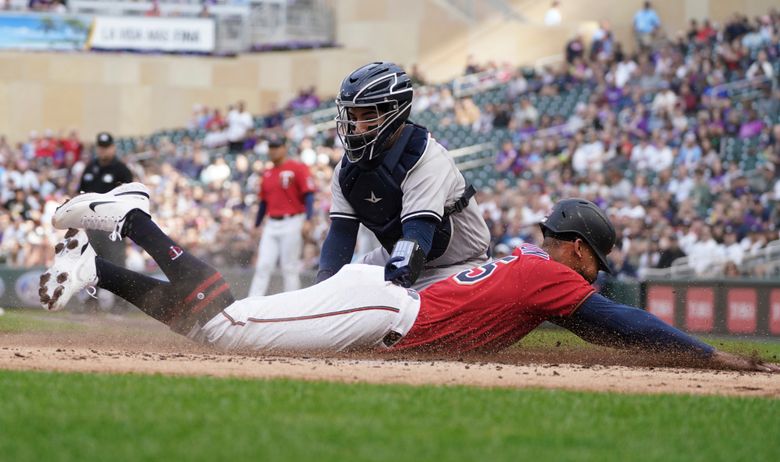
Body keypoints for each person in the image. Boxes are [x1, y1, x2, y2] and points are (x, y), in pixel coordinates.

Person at [39, 186, 778, 372]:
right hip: (379, 311)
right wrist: (704, 355)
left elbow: (599, 323)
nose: (594, 277)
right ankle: (136, 223)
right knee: (229, 332)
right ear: (582, 251)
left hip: (378, 306)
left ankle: (98, 268)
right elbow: (623, 323)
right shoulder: (554, 277)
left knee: (216, 331)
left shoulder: (529, 261)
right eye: (595, 263)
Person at [318, 61, 491, 290]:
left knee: (402, 319)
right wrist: (323, 290)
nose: (357, 127)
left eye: (368, 116)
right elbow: (341, 234)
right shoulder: (347, 170)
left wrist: (394, 288)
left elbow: (417, 235)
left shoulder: (427, 158)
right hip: (395, 257)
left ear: (395, 112)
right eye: (352, 116)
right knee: (341, 290)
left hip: (460, 264)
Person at [248, 133, 315, 296]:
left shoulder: (297, 168)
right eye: (271, 147)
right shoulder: (267, 173)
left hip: (293, 220)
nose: (273, 150)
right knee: (263, 265)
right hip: (271, 223)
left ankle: (292, 306)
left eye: (276, 146)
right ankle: (252, 303)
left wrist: (308, 219)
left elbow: (309, 195)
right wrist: (257, 224)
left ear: (284, 148)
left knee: (289, 267)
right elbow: (264, 203)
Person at [77, 132, 134, 311]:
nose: (103, 150)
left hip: (113, 226)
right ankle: (92, 301)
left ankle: (120, 303)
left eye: (106, 146)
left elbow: (130, 197)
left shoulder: (121, 170)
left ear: (113, 147)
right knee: (93, 263)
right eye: (100, 147)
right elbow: (81, 194)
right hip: (92, 225)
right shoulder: (90, 168)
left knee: (116, 264)